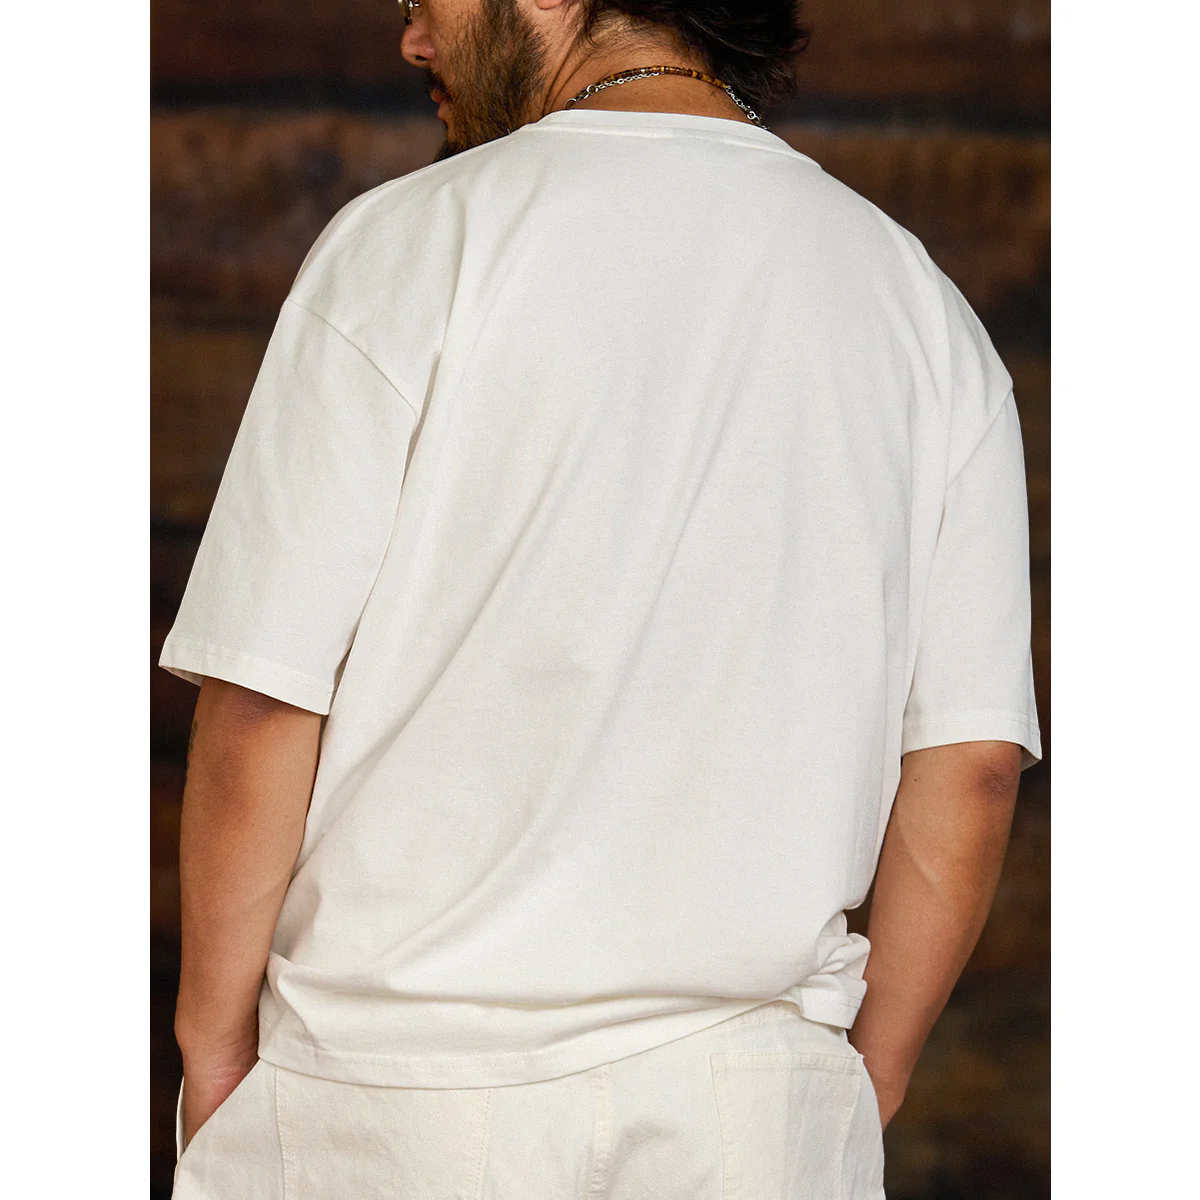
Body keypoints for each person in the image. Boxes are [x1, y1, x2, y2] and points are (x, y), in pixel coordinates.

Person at [160, 0, 1042, 1195]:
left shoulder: (409, 245)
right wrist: (853, 1090)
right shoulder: (921, 307)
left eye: (426, 2)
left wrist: (213, 1051)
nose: (412, 41)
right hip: (756, 1110)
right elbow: (971, 766)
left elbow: (267, 698)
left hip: (396, 1097)